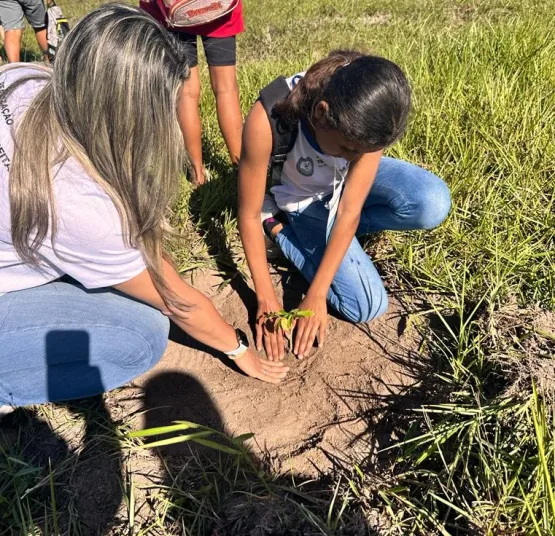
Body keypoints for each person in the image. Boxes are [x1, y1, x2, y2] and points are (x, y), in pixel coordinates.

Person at [0, 4, 289, 415]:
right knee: (142, 335)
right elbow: (176, 301)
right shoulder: (83, 209)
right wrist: (238, 348)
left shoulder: (21, 77)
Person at [238, 50, 451, 361]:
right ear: (322, 114)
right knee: (366, 305)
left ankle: (324, 243)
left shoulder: (368, 111)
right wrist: (265, 295)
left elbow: (349, 211)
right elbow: (247, 212)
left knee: (431, 202)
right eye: (348, 148)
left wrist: (317, 292)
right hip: (301, 198)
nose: (353, 158)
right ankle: (277, 227)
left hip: (340, 196)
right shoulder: (268, 119)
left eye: (363, 151)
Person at [140, 0, 245, 186]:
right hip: (218, 9)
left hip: (171, 12)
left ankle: (197, 175)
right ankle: (242, 168)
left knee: (186, 92)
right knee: (226, 88)